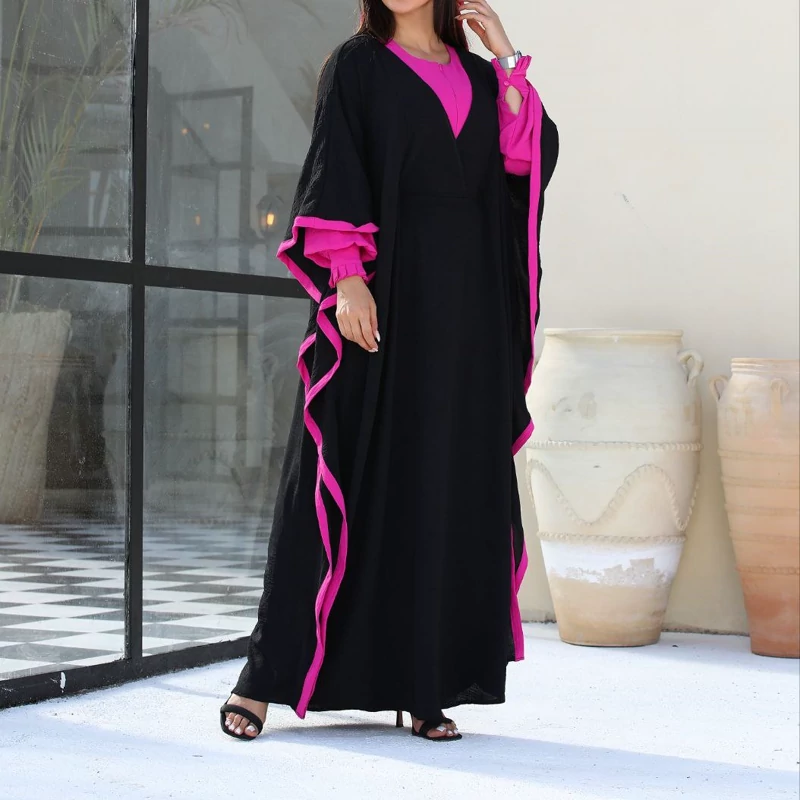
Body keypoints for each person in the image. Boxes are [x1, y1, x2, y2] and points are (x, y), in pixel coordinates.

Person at [219, 0, 558, 743]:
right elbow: (335, 168)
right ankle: (264, 678)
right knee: (332, 472)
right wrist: (346, 277)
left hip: (466, 316)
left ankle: (423, 684)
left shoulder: (480, 76)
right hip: (383, 301)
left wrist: (505, 56)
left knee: (440, 486)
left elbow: (522, 163)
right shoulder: (358, 66)